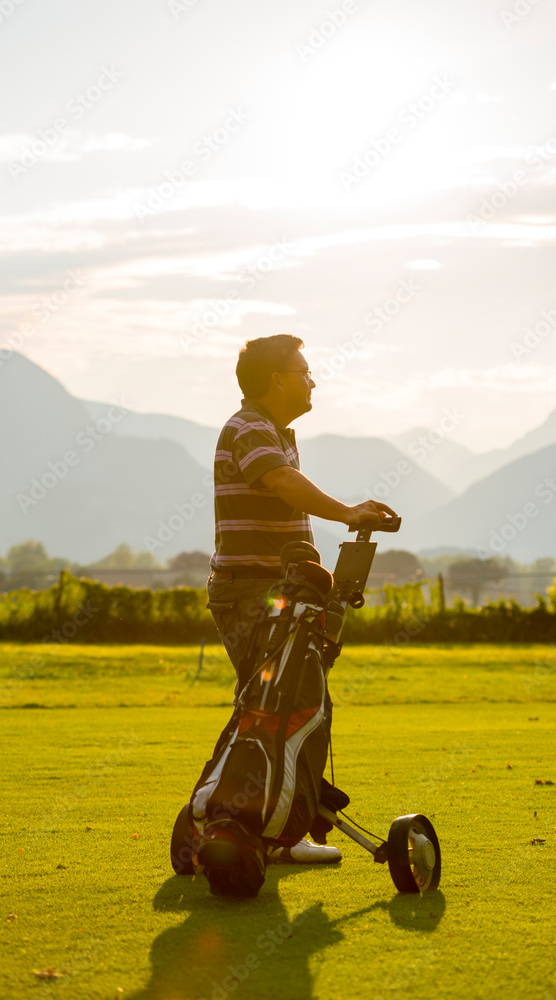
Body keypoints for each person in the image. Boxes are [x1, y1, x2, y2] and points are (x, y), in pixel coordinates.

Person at [204, 334, 397, 866]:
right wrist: (349, 513)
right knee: (274, 710)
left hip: (283, 594)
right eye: (304, 371)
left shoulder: (278, 432)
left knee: (293, 706)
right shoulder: (248, 428)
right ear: (277, 380)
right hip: (251, 593)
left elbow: (285, 484)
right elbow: (282, 482)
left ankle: (275, 828)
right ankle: (254, 832)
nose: (313, 380)